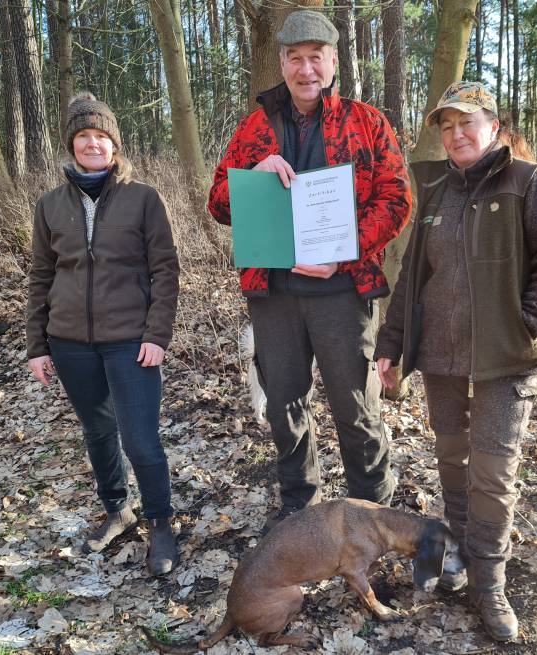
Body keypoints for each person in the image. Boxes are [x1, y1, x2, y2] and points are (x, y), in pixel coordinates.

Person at [374, 81, 537, 641]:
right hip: (441, 353)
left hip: (504, 358)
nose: (456, 134)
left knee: (493, 469)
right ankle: (459, 554)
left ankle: (490, 581)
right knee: (453, 457)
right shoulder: (436, 192)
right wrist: (391, 345)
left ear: (493, 127)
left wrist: (529, 321)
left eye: (467, 123)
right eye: (446, 125)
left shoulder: (528, 183)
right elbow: (414, 276)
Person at [208, 10, 412, 533]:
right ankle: (301, 506)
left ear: (333, 60)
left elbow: (396, 199)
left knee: (355, 406)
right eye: (295, 58)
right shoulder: (255, 127)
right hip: (273, 291)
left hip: (343, 291)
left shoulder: (367, 122)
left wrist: (343, 254)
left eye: (315, 57)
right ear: (281, 62)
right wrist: (250, 175)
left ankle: (373, 512)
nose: (305, 69)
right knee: (283, 403)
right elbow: (218, 203)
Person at [26, 92, 181, 576]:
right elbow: (40, 276)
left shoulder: (143, 198)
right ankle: (117, 509)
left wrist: (157, 334)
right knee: (97, 432)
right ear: (71, 145)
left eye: (101, 136)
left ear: (115, 145)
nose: (92, 143)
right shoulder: (50, 205)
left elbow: (165, 270)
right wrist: (37, 345)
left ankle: (161, 521)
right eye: (83, 136)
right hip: (70, 342)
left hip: (131, 340)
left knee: (140, 439)